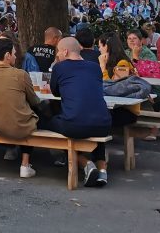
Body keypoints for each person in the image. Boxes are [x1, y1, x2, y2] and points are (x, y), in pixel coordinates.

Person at [40, 37, 112, 187]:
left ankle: (85, 163)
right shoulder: (94, 67)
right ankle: (103, 171)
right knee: (92, 120)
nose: (58, 55)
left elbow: (55, 92)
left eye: (58, 51)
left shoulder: (59, 67)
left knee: (47, 122)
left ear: (65, 51)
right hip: (104, 124)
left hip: (74, 125)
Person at [0, 39, 40, 178]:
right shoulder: (21, 74)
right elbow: (34, 101)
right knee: (31, 114)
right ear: (7, 55)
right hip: (20, 125)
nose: (15, 56)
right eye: (14, 53)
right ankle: (25, 164)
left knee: (21, 113)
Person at [98, 32, 139, 128]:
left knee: (94, 117)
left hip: (127, 111)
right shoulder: (111, 63)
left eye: (100, 46)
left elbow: (113, 90)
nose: (99, 49)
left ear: (107, 46)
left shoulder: (122, 63)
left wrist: (102, 68)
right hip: (115, 107)